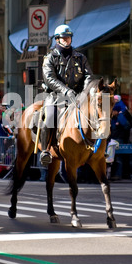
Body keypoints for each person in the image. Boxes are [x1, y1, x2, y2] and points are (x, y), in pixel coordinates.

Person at [39, 24, 93, 165]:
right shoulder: (50, 57)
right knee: (49, 117)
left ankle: (97, 149)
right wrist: (66, 91)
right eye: (63, 38)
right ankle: (45, 150)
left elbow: (88, 76)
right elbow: (49, 78)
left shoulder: (80, 58)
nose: (66, 40)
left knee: (96, 115)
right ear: (57, 39)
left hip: (78, 96)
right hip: (56, 96)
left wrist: (85, 92)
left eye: (68, 37)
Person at [110, 104, 131, 179]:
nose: (112, 112)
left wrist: (120, 125)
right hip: (113, 139)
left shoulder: (120, 117)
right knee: (112, 157)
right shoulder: (113, 118)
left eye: (113, 110)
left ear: (116, 111)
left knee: (118, 157)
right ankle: (113, 174)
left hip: (119, 139)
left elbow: (127, 126)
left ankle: (118, 174)